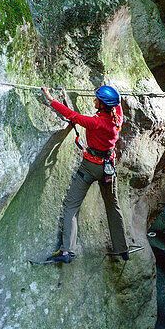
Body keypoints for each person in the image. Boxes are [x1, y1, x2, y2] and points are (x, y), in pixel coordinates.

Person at [41, 84, 129, 263]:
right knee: (113, 207)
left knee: (72, 206)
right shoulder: (117, 119)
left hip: (90, 167)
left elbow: (71, 115)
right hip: (108, 169)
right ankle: (122, 249)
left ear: (103, 104)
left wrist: (50, 100)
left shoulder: (95, 122)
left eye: (97, 98)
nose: (94, 99)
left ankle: (67, 251)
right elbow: (117, 102)